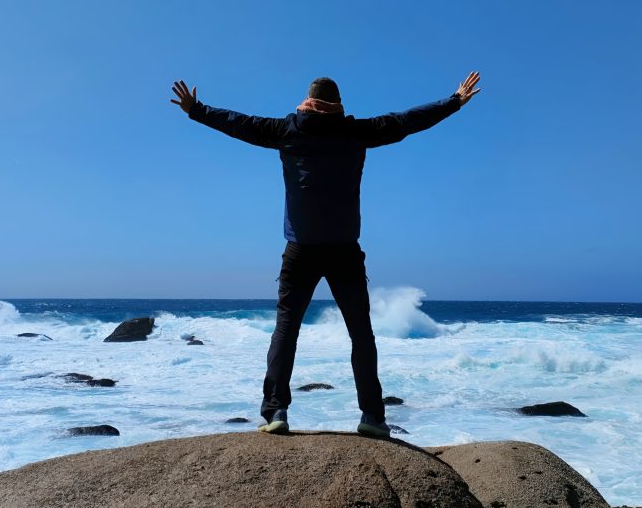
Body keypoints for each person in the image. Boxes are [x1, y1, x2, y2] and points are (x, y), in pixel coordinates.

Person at [169, 72, 481, 438]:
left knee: (286, 329)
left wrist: (197, 110)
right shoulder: (356, 132)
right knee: (361, 334)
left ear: (307, 101)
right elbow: (406, 122)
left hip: (300, 249)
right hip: (344, 249)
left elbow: (239, 124)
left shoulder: (288, 130)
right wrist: (453, 102)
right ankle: (372, 418)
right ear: (338, 105)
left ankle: (275, 412)